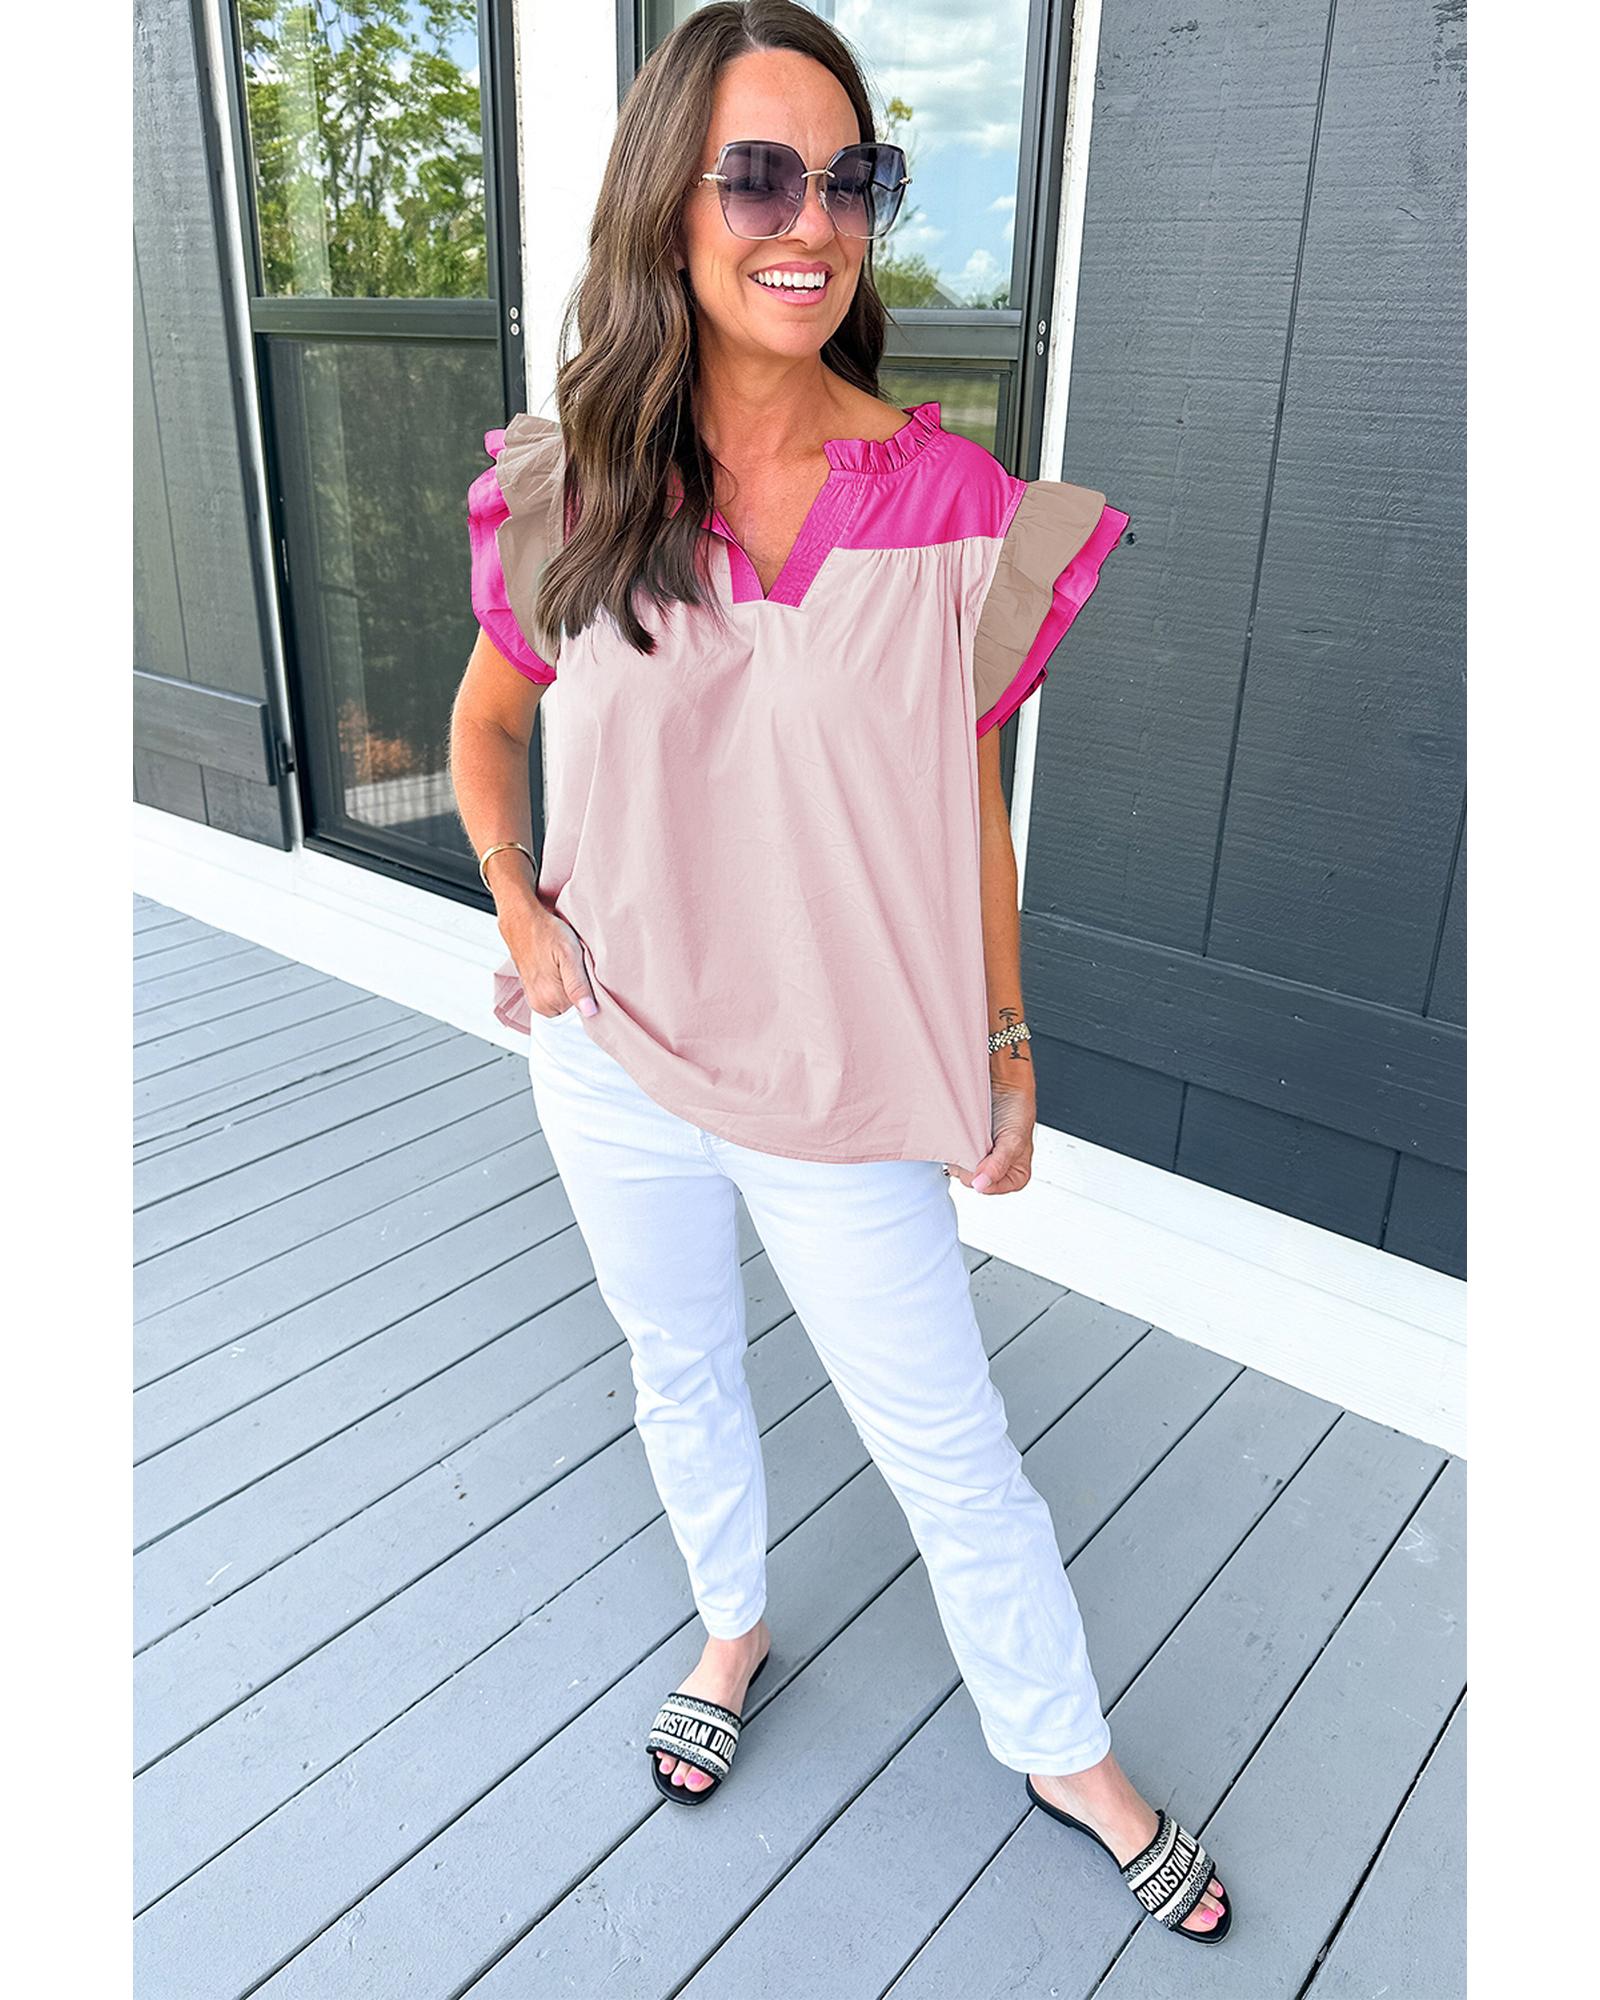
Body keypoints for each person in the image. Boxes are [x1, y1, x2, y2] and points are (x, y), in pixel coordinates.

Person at [448, 0, 1231, 1947]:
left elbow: (965, 804)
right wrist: (520, 909)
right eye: (758, 175)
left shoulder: (952, 509)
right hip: (607, 1043)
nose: (811, 219)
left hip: (836, 1078)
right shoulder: (571, 484)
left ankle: (1061, 1750)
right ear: (671, 204)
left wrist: (1004, 1038)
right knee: (677, 1362)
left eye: (849, 177)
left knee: (949, 1447)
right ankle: (730, 1626)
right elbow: (482, 727)